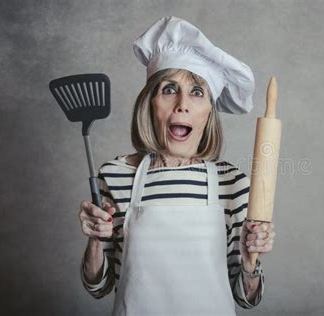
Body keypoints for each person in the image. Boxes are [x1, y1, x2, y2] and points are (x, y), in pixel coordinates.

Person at [77, 16, 276, 315]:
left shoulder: (233, 184)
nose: (182, 103)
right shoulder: (115, 176)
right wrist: (95, 240)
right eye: (169, 89)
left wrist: (250, 263)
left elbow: (246, 299)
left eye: (197, 92)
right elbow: (98, 286)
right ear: (150, 103)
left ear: (209, 112)